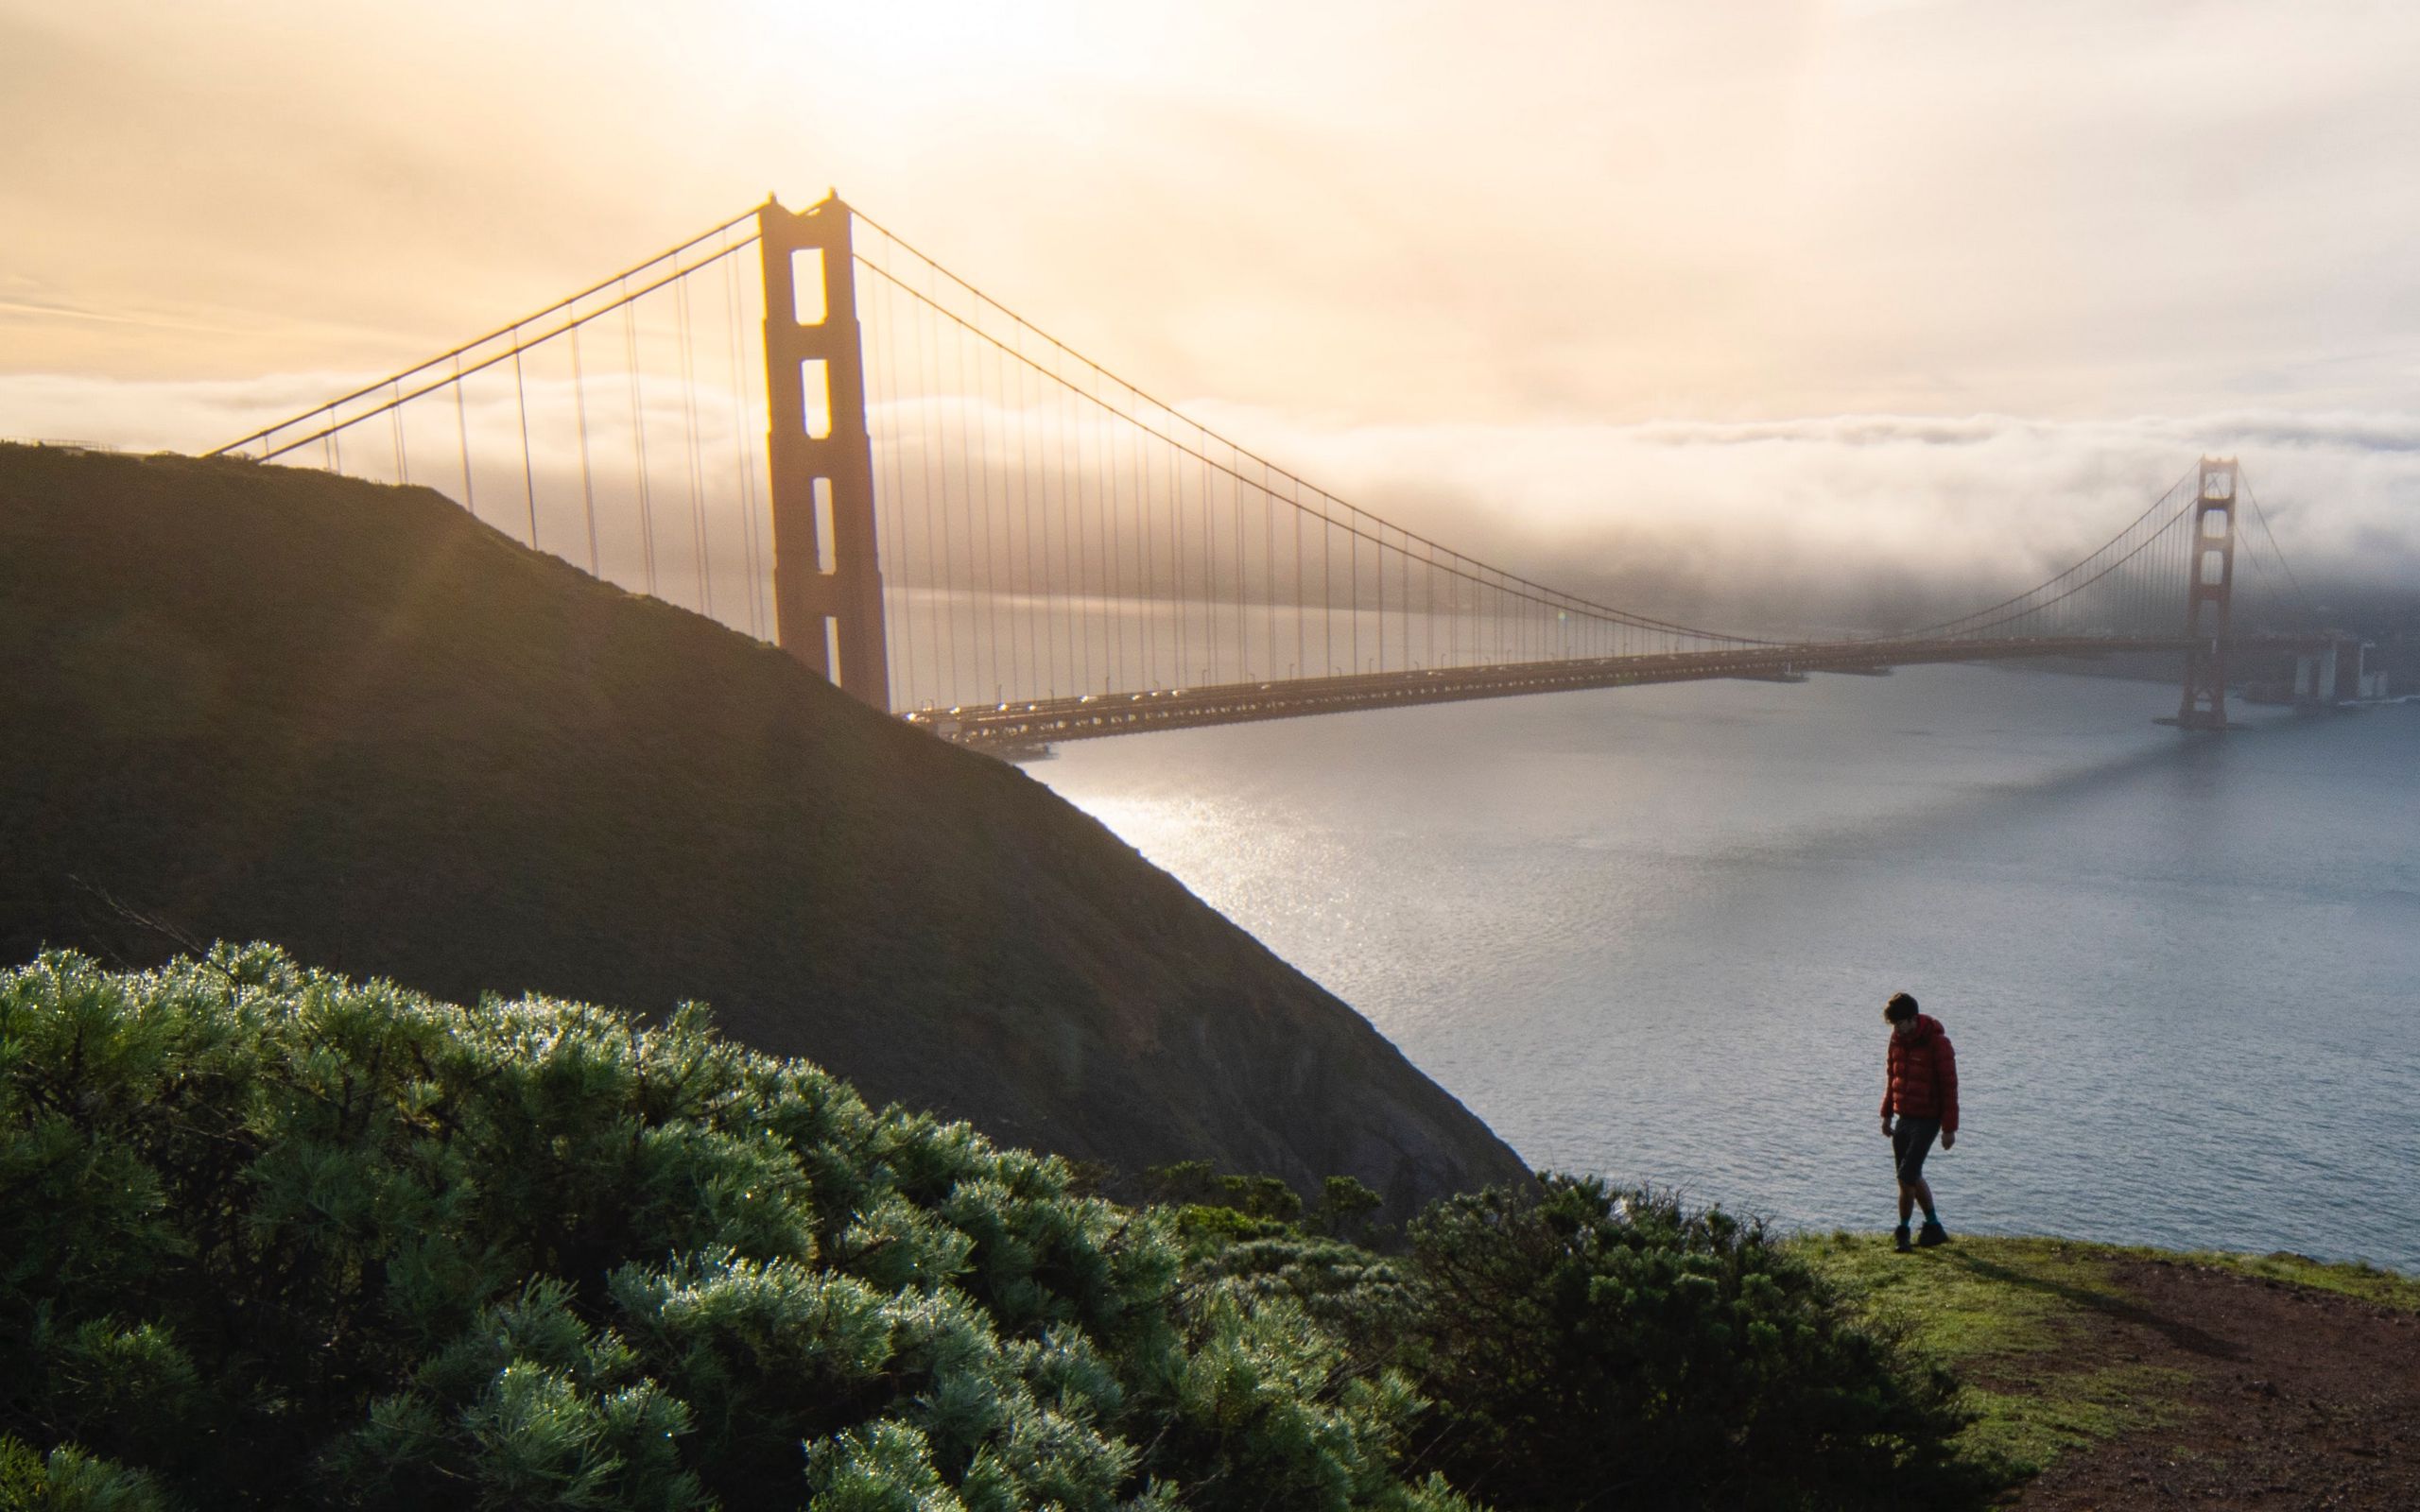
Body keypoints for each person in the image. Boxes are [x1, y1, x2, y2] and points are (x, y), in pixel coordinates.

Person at [1879, 990, 1958, 1252]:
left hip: (1928, 1119)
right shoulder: (1896, 1040)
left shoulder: (1938, 1043)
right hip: (1904, 1116)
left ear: (1913, 1019)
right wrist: (1887, 1113)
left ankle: (1903, 1232)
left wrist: (1949, 1129)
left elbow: (1949, 1087)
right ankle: (1933, 1226)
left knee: (1907, 1175)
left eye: (1900, 1024)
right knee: (1909, 1176)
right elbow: (1892, 1078)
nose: (1897, 1030)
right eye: (1894, 1025)